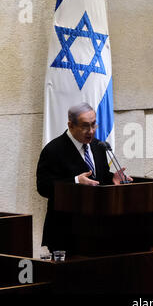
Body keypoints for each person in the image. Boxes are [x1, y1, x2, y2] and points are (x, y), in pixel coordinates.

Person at [36, 102, 132, 252]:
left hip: (97, 231)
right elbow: (43, 187)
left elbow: (97, 179)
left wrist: (112, 178)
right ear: (71, 125)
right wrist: (75, 181)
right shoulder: (53, 150)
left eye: (94, 125)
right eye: (85, 126)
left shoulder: (98, 146)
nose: (91, 131)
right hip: (65, 233)